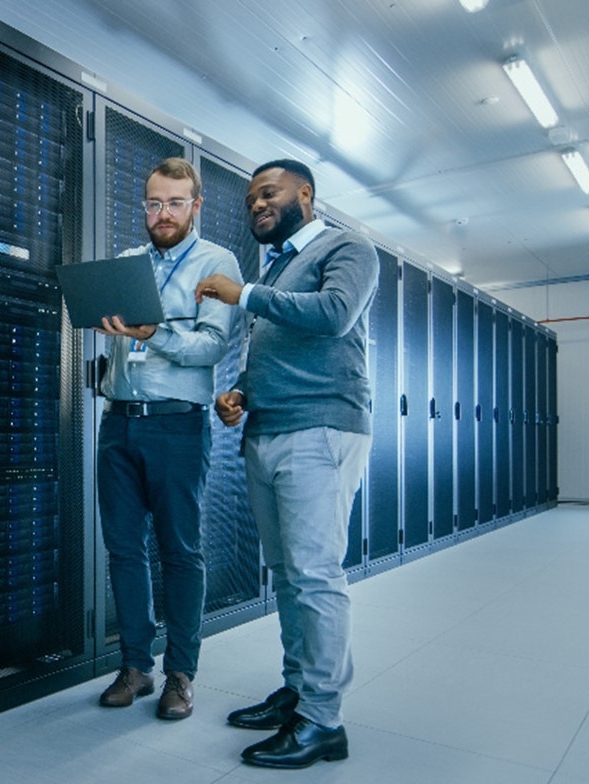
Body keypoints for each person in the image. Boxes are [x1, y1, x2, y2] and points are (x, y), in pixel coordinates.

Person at [194, 159, 377, 768]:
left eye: (266, 194)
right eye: (250, 201)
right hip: (269, 429)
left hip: (320, 428)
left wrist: (242, 293)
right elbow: (269, 346)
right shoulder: (275, 267)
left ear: (306, 193)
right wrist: (241, 390)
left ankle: (325, 720)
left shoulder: (346, 247)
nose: (256, 207)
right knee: (289, 574)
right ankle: (300, 692)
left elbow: (334, 315)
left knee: (316, 574)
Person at [93, 157, 241, 721]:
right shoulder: (128, 264)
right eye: (154, 203)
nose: (162, 214)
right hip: (119, 420)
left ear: (196, 205)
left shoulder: (216, 262)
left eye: (175, 203)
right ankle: (136, 666)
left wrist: (155, 334)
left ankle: (181, 672)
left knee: (180, 551)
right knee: (123, 549)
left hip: (178, 423)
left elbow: (211, 348)